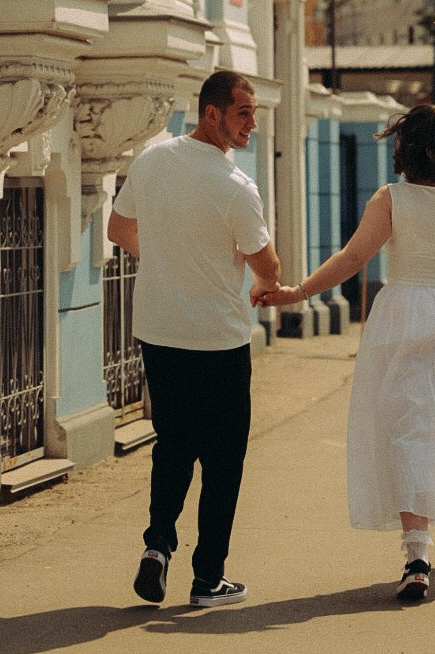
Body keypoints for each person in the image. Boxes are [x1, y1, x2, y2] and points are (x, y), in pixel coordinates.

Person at [254, 22, 435, 604]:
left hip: (406, 314)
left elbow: (351, 259)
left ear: (405, 149)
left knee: (411, 428)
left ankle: (416, 556)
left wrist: (297, 293)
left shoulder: (392, 199)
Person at [107, 70, 280, 609]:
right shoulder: (236, 188)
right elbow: (268, 267)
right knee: (223, 460)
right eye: (243, 113)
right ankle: (207, 579)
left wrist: (163, 260)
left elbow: (117, 229)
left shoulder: (153, 159)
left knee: (173, 445)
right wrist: (261, 282)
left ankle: (157, 548)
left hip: (159, 332)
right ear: (212, 114)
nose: (252, 123)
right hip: (219, 341)